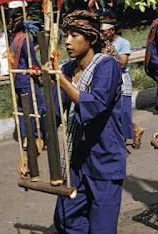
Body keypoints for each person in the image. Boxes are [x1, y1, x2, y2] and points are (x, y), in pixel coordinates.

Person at [19, 10, 125, 233]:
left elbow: (95, 105)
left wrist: (60, 79)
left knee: (102, 227)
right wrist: (33, 152)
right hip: (77, 158)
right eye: (66, 35)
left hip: (105, 159)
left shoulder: (107, 66)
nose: (67, 41)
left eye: (74, 35)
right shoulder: (68, 69)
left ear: (92, 38)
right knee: (65, 218)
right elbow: (55, 114)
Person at [100, 12, 144, 149]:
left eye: (103, 31)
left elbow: (123, 64)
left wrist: (109, 57)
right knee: (114, 112)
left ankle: (134, 131)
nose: (101, 34)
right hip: (108, 81)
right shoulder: (101, 44)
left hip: (122, 79)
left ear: (112, 30)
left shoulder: (123, 43)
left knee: (124, 112)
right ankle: (133, 130)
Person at [9, 11, 45, 150]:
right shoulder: (25, 39)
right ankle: (35, 137)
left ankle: (24, 137)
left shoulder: (14, 38)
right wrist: (41, 71)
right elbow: (32, 61)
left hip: (17, 79)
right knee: (38, 106)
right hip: (26, 79)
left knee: (22, 109)